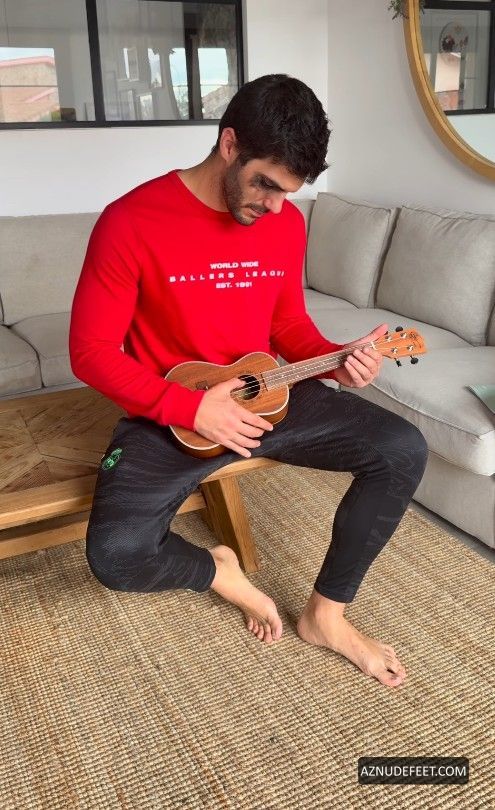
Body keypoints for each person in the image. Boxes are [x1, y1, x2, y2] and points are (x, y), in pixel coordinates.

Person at [69, 74, 427, 688]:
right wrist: (187, 408)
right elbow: (89, 352)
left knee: (402, 449)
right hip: (173, 413)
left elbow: (287, 324)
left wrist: (338, 359)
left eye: (289, 193)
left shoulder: (284, 223)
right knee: (115, 555)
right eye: (265, 184)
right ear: (229, 144)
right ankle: (221, 571)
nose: (275, 207)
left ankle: (326, 616)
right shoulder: (130, 221)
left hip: (267, 393)